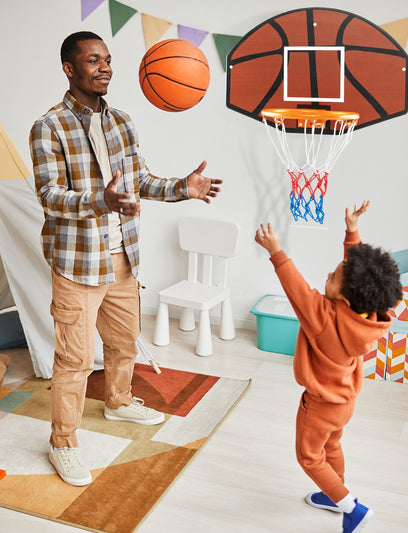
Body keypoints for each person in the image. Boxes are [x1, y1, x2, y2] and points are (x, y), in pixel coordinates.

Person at [29, 31, 222, 487]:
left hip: (123, 259)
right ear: (69, 69)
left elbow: (139, 181)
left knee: (123, 342)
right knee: (75, 360)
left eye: (108, 59)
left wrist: (181, 189)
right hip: (78, 265)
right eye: (93, 60)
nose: (105, 67)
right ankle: (63, 443)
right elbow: (50, 196)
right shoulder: (49, 126)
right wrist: (103, 200)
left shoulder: (122, 121)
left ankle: (118, 403)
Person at [255, 201, 403, 533]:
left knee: (310, 457)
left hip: (320, 404)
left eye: (334, 277)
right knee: (332, 445)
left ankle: (351, 507)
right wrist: (352, 232)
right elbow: (359, 275)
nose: (328, 275)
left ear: (345, 299)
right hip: (345, 401)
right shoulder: (369, 317)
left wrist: (276, 252)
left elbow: (296, 290)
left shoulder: (323, 319)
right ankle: (333, 493)